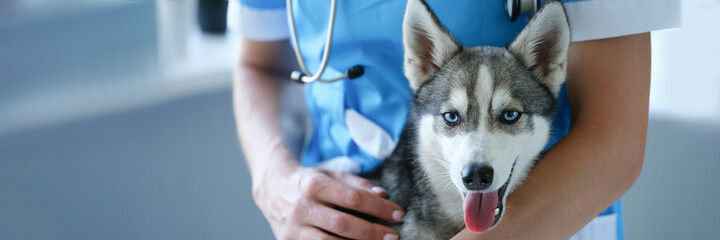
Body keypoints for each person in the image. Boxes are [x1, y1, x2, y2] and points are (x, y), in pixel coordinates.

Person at [230, 0, 680, 239]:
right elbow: (260, 65)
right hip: (332, 218)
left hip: (539, 223)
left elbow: (614, 140)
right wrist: (274, 182)